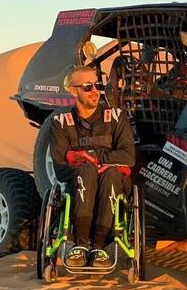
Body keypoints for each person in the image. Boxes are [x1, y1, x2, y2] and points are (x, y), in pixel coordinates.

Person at [50, 65, 135, 267]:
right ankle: (80, 244)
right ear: (74, 91)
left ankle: (99, 246)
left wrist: (94, 159)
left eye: (98, 85)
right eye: (88, 87)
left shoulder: (116, 117)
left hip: (112, 180)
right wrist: (89, 165)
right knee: (86, 171)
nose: (95, 91)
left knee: (110, 174)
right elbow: (60, 168)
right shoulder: (60, 122)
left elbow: (128, 156)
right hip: (78, 183)